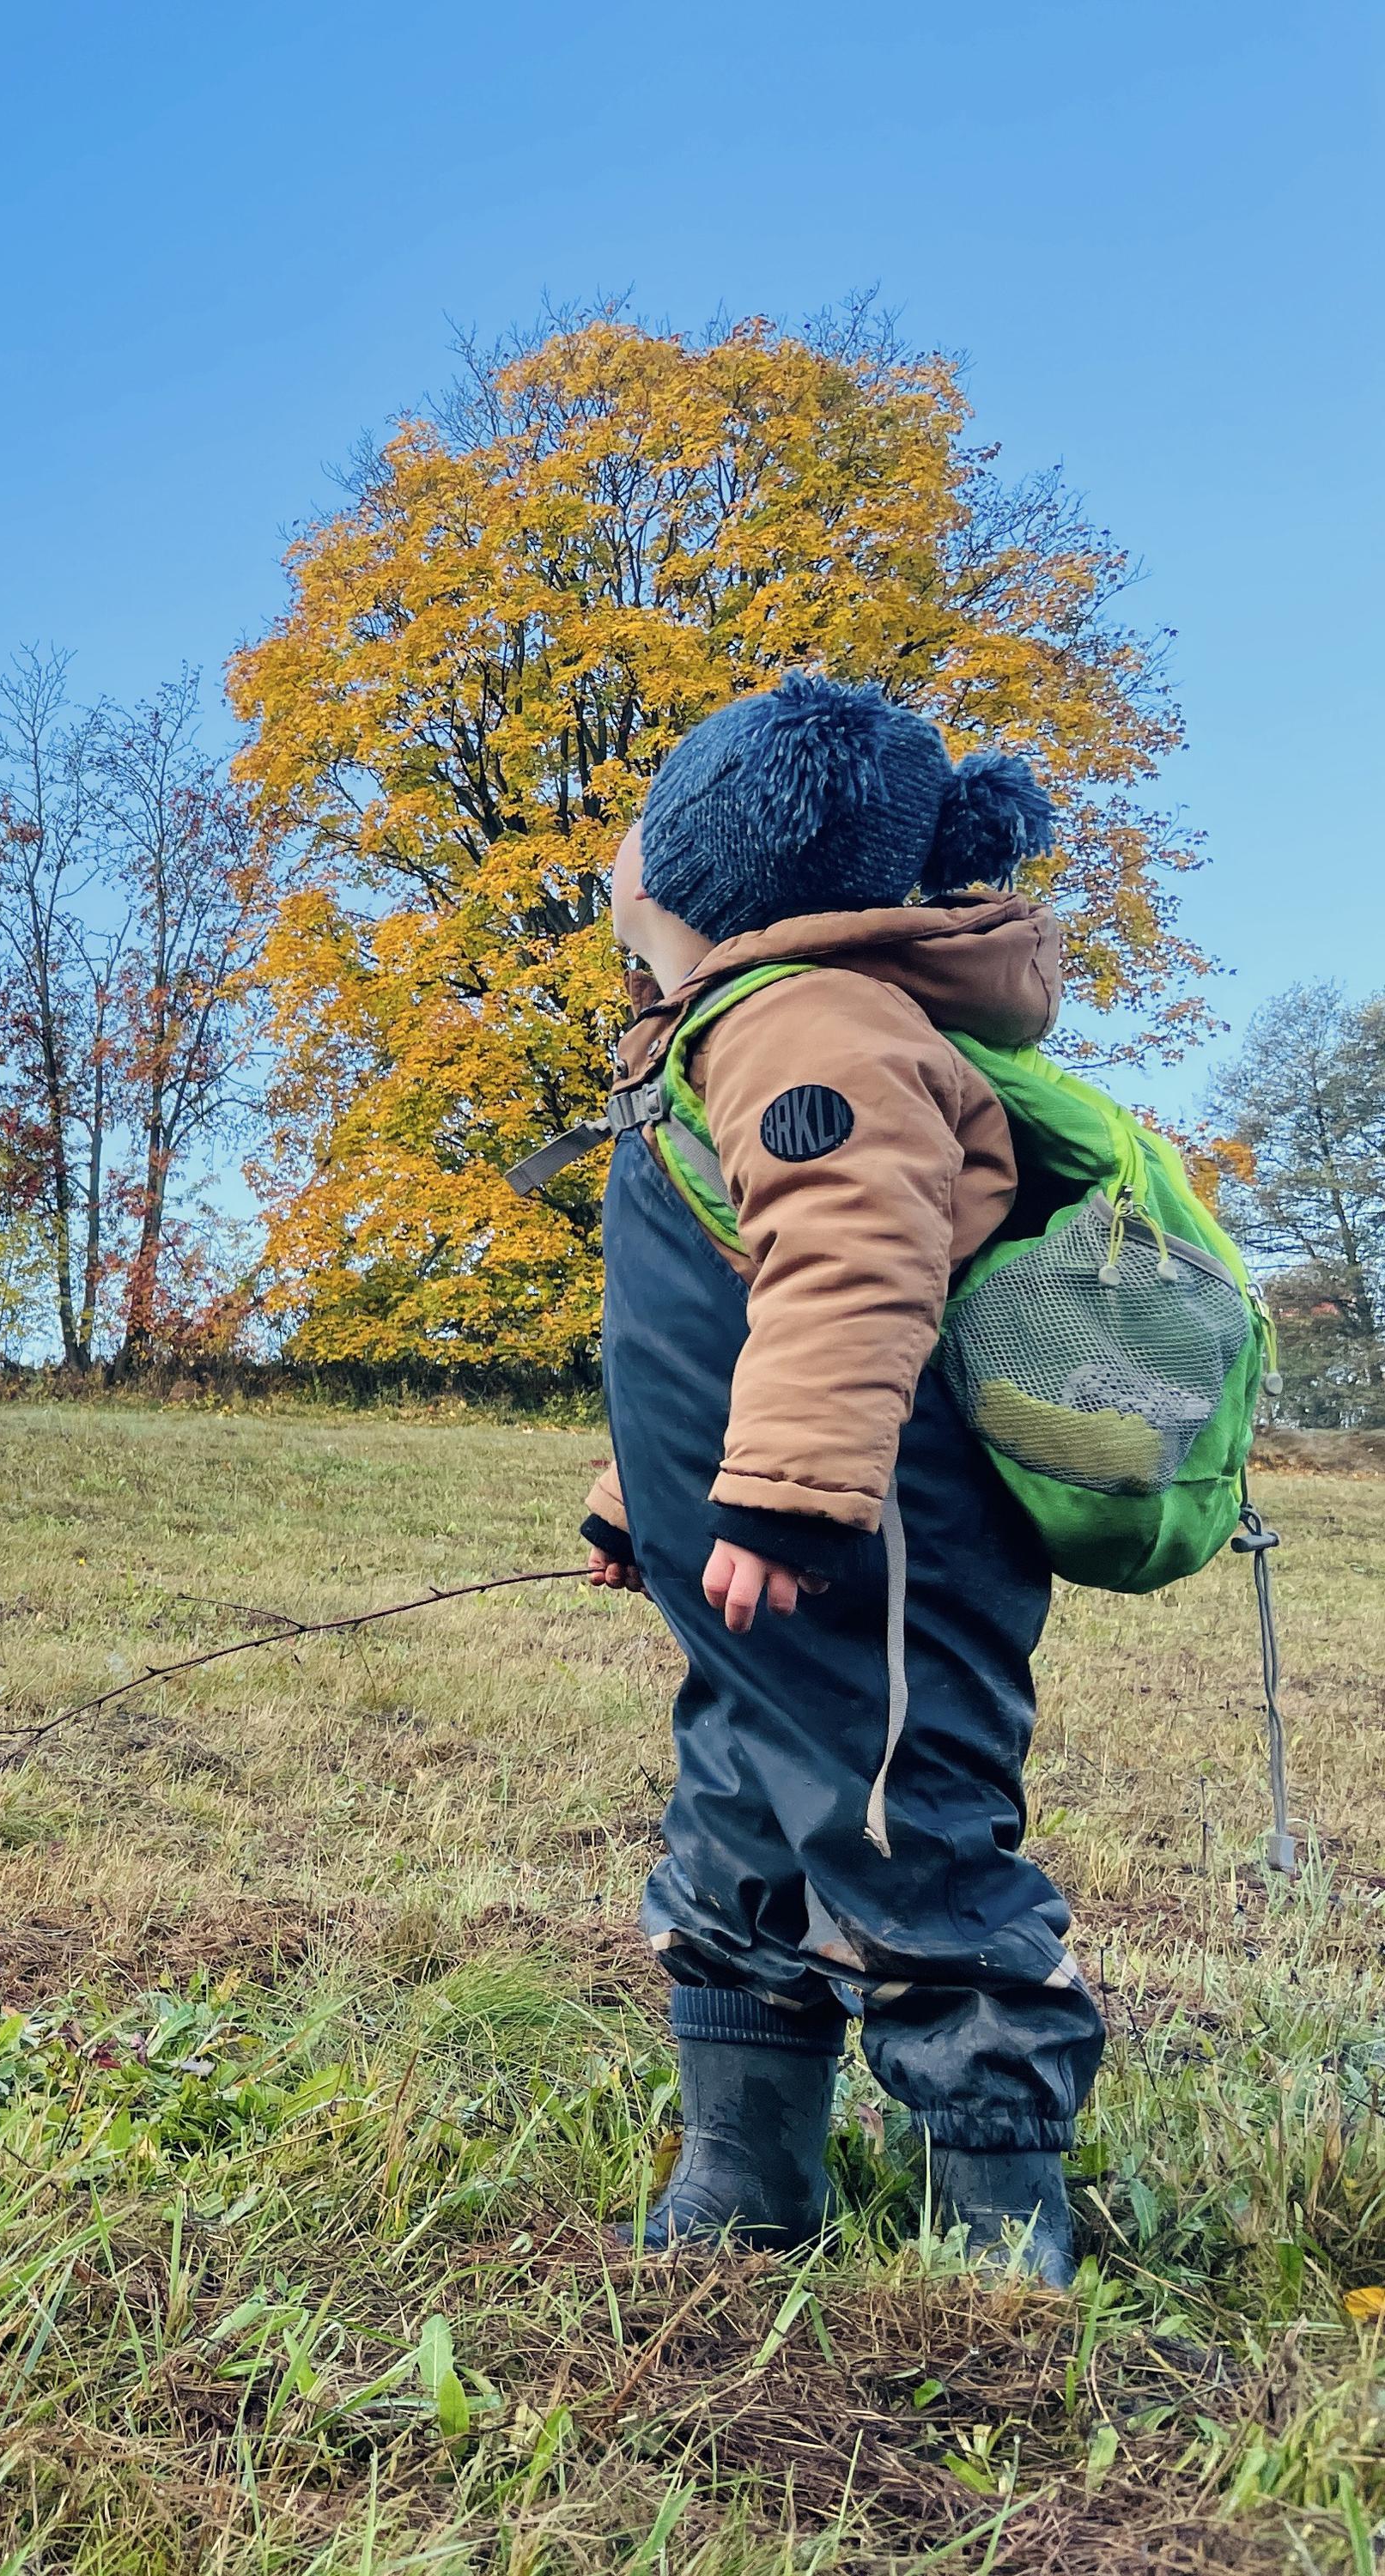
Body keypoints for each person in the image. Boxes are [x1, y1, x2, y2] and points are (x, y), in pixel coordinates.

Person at [580, 673, 1096, 2284]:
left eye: (640, 827)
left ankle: (1000, 2213)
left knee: (909, 1831)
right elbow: (707, 1324)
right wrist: (639, 1497)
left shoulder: (813, 1024)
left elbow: (854, 1266)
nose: (615, 862)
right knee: (737, 1819)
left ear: (709, 859)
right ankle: (747, 2171)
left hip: (873, 1556)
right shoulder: (730, 1033)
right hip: (767, 1575)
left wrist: (789, 1495)